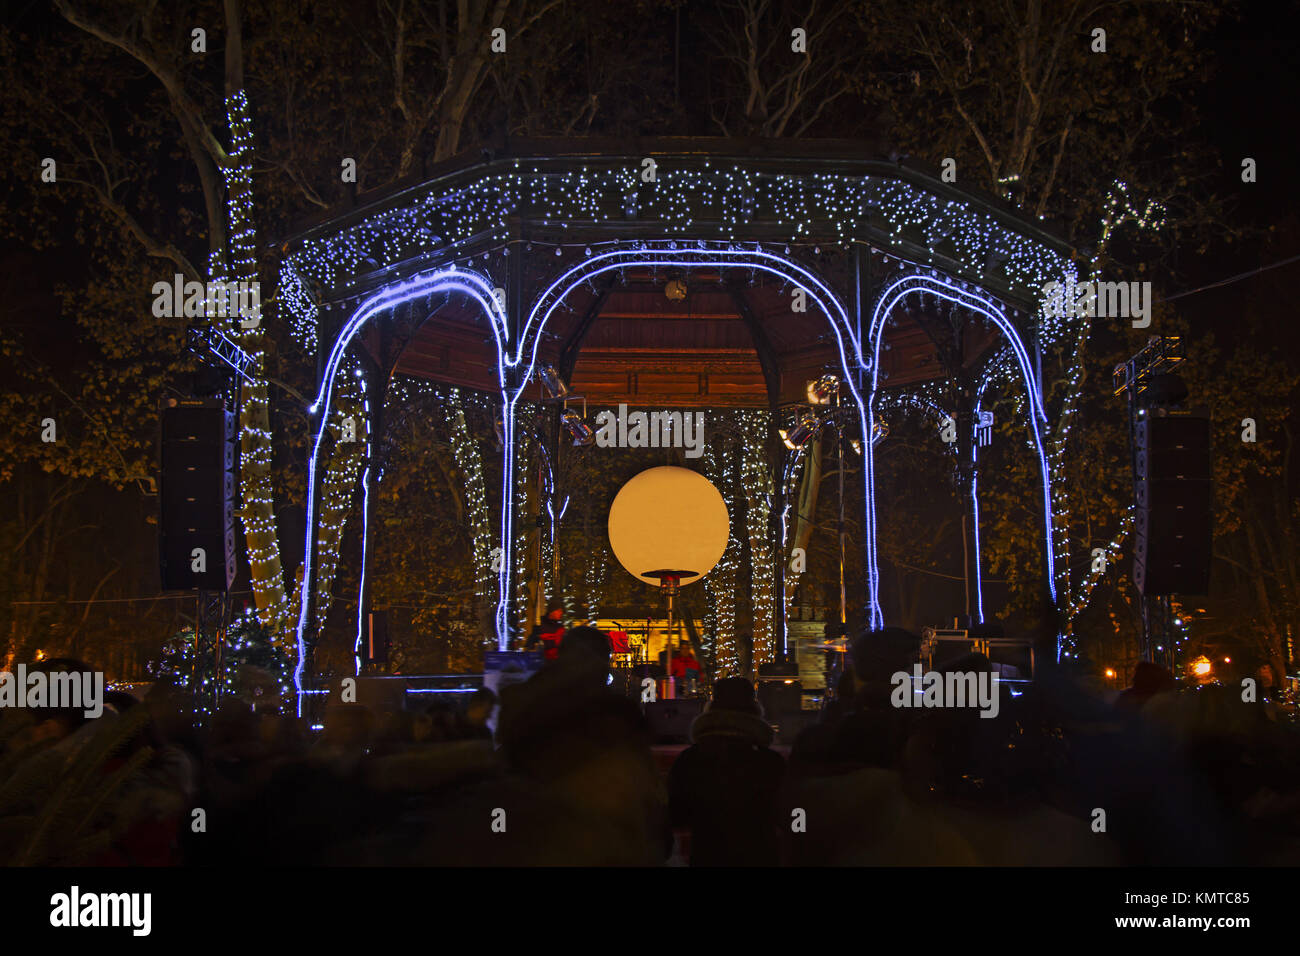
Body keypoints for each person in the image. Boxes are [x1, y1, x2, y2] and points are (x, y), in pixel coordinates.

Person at [668, 677, 786, 866]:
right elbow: (794, 810)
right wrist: (801, 832)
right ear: (754, 709)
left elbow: (676, 815)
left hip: (708, 856)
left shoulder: (691, 758)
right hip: (760, 856)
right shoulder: (769, 761)